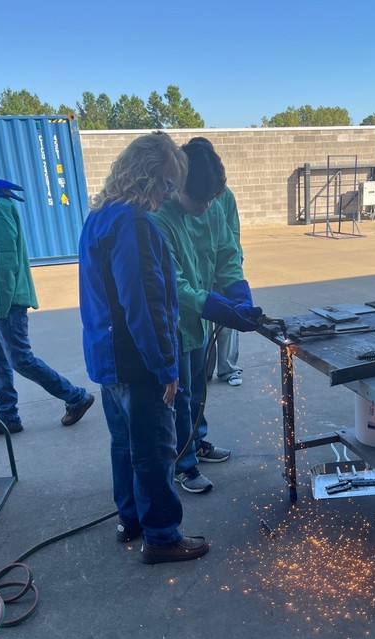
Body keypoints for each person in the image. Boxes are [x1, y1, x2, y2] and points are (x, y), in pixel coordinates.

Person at [78, 131, 209, 565]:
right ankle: (162, 536)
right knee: (154, 449)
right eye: (167, 184)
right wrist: (166, 366)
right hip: (137, 361)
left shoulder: (99, 216)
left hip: (108, 360)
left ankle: (130, 519)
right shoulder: (133, 224)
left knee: (125, 445)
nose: (168, 195)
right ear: (148, 177)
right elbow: (146, 303)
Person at [0, 136, 94, 436]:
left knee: (20, 360)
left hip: (4, 302)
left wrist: (0, 306)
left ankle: (76, 396)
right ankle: (8, 416)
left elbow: (4, 262)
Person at [153, 139, 261, 494]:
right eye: (199, 200)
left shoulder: (216, 202)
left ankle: (196, 442)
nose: (207, 206)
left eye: (212, 198)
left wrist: (238, 294)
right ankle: (184, 464)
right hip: (173, 322)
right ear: (179, 186)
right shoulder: (159, 216)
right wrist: (217, 307)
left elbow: (227, 252)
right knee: (181, 395)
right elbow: (175, 286)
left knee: (198, 388)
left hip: (199, 317)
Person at [207, 185, 244, 387]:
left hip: (224, 266)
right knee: (201, 324)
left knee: (228, 322)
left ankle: (228, 368)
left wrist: (234, 276)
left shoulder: (225, 194)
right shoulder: (182, 198)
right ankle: (203, 370)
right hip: (200, 271)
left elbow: (232, 234)